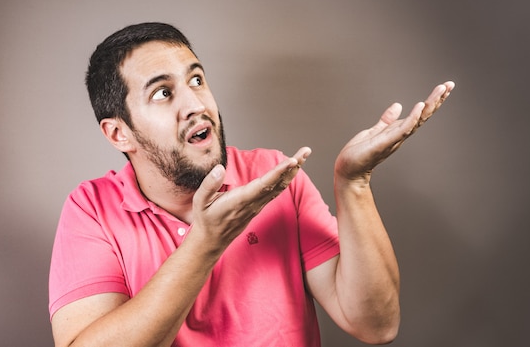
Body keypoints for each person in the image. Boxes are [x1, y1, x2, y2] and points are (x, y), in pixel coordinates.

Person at [48, 22, 455, 347]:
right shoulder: (91, 209)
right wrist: (204, 244)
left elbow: (376, 325)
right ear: (119, 134)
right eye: (162, 93)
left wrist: (354, 184)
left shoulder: (273, 176)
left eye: (195, 80)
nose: (195, 105)